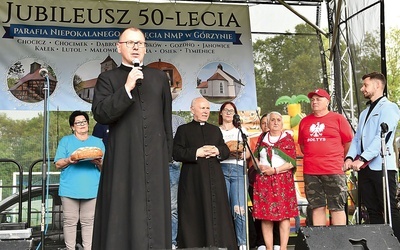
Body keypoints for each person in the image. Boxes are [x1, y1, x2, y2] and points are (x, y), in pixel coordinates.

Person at [91, 27, 173, 249]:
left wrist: (167, 155)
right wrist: (126, 87)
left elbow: (166, 119)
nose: (135, 47)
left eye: (140, 43)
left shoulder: (159, 78)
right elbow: (100, 114)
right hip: (123, 160)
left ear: (145, 48)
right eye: (130, 43)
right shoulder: (107, 78)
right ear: (119, 47)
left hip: (155, 159)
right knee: (121, 211)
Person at [173, 97, 237, 250]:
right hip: (192, 179)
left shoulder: (215, 130)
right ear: (192, 110)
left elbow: (225, 150)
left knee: (215, 210)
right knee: (193, 211)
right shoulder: (184, 130)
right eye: (202, 108)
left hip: (214, 178)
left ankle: (217, 244)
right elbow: (176, 152)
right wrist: (197, 152)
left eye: (207, 108)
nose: (205, 111)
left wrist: (217, 150)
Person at [343, 72, 400, 241]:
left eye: (365, 85)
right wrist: (349, 157)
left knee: (389, 209)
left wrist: (362, 159)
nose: (362, 89)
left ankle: (396, 242)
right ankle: (378, 243)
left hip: (381, 167)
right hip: (364, 168)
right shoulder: (364, 113)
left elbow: (383, 136)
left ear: (377, 86)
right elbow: (357, 138)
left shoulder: (389, 107)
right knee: (371, 209)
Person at [298, 88, 353, 226]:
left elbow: (348, 143)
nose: (314, 102)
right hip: (311, 170)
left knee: (337, 206)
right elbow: (303, 146)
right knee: (316, 206)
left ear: (327, 102)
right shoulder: (304, 121)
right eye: (312, 99)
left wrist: (340, 158)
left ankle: (339, 243)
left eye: (318, 99)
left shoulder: (338, 119)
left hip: (333, 169)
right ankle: (321, 244)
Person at [54, 111, 105, 250]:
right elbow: (58, 164)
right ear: (72, 126)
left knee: (89, 222)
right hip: (69, 189)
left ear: (88, 124)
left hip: (92, 189)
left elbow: (105, 168)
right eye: (78, 122)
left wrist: (98, 163)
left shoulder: (97, 142)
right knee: (70, 222)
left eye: (84, 121)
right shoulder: (66, 141)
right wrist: (69, 160)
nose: (82, 124)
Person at [252, 111, 298, 250]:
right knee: (266, 217)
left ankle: (283, 248)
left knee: (284, 216)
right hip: (264, 181)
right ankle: (269, 248)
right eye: (272, 120)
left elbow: (292, 163)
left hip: (282, 181)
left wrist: (275, 170)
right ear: (268, 122)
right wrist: (259, 166)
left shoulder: (287, 138)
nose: (276, 122)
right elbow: (255, 159)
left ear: (282, 123)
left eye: (278, 120)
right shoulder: (262, 138)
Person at [218, 101, 250, 250]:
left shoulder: (241, 131)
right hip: (221, 169)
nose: (229, 113)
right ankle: (224, 243)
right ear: (221, 113)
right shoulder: (216, 131)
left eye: (232, 111)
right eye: (226, 110)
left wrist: (239, 152)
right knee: (222, 207)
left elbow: (248, 153)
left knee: (239, 208)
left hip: (238, 169)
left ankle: (242, 242)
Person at [170, 114, 186, 249]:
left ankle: (172, 242)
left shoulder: (179, 121)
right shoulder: (149, 118)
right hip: (152, 167)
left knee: (172, 207)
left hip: (173, 166)